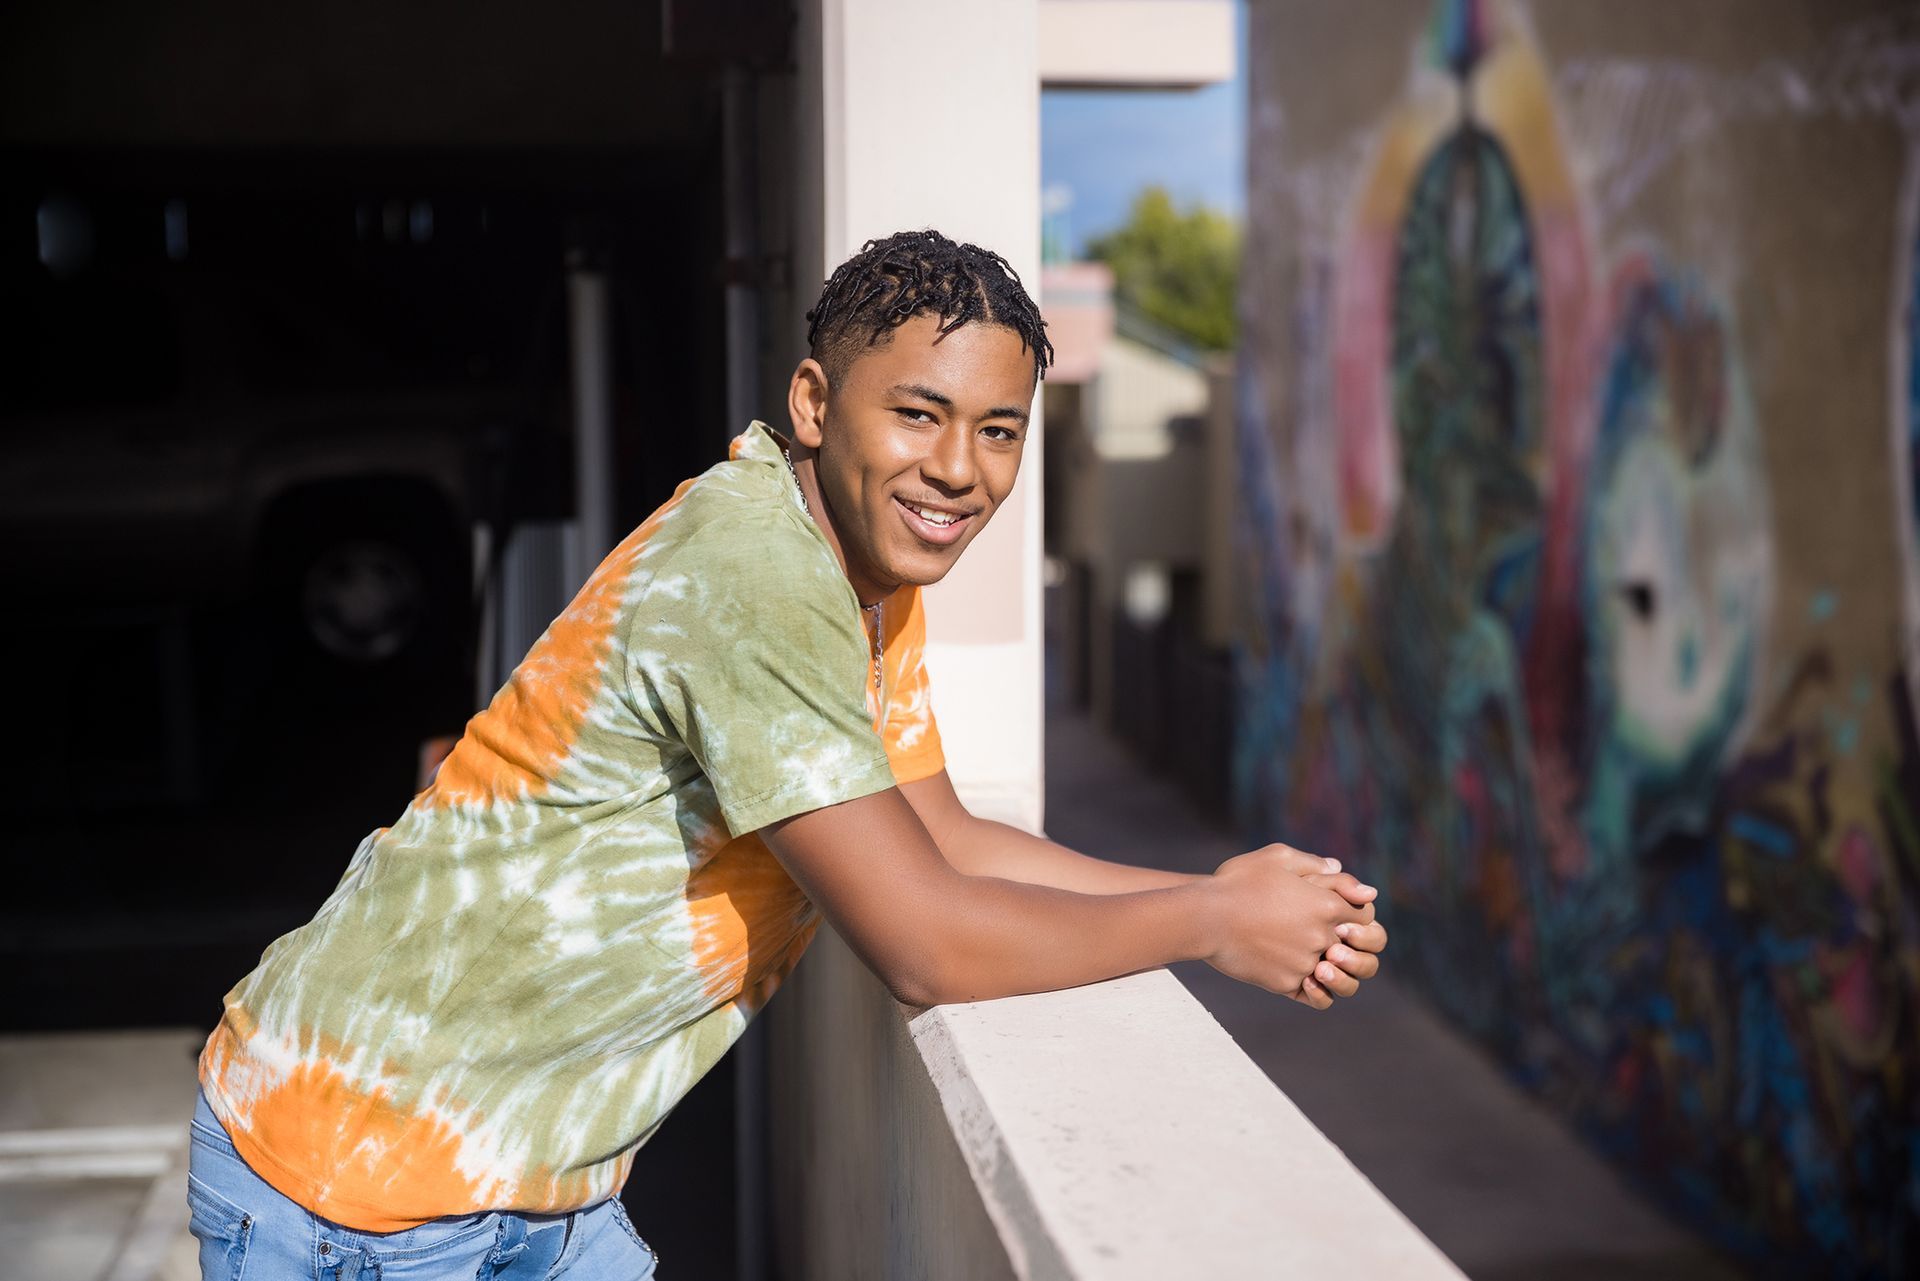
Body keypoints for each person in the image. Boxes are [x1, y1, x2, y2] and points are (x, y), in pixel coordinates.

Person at [185, 230, 1387, 1279]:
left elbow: (950, 841)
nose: (959, 469)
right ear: (816, 404)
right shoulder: (752, 573)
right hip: (357, 1191)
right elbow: (924, 941)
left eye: (998, 431)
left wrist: (1230, 893)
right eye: (917, 413)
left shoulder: (858, 579)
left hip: (533, 1184)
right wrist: (1212, 927)